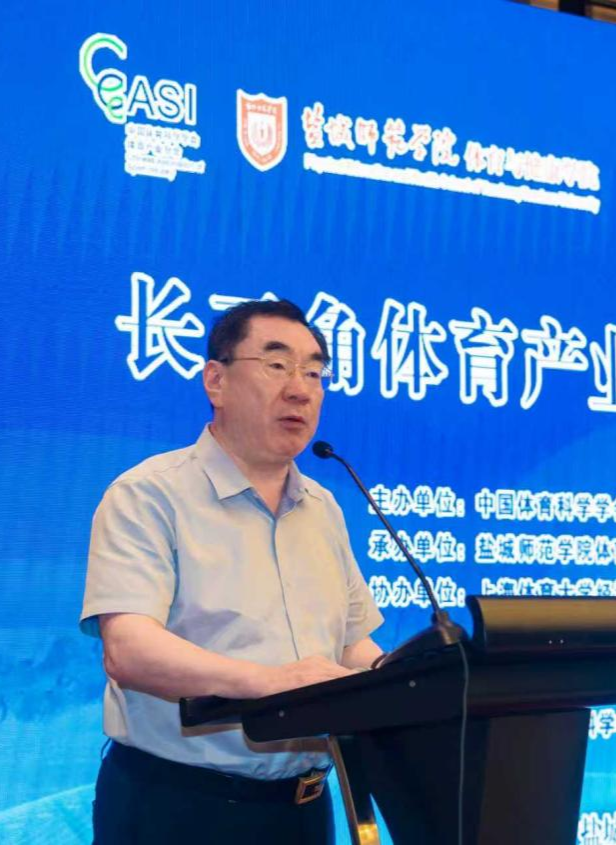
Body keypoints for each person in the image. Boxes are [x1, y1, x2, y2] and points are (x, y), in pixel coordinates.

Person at [80, 299, 384, 844]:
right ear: (215, 381)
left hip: (303, 812)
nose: (300, 389)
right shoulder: (149, 494)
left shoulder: (323, 508)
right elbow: (129, 650)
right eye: (277, 365)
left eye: (314, 373)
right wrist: (268, 685)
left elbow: (350, 646)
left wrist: (410, 679)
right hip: (179, 809)